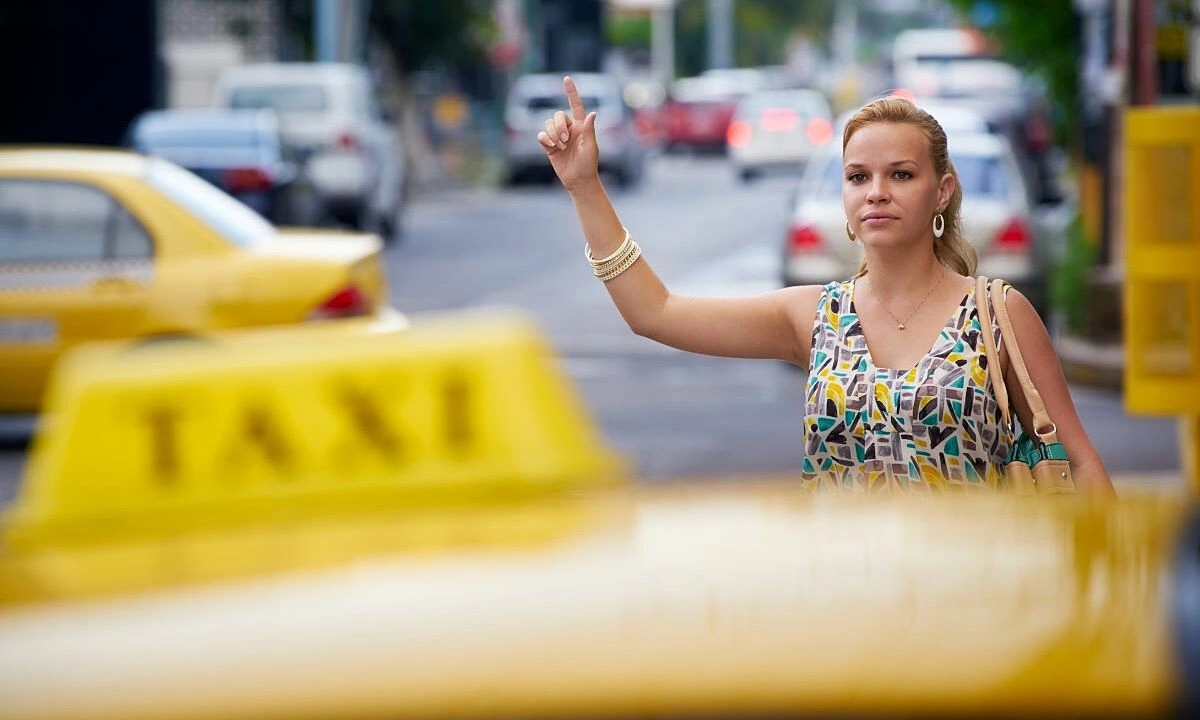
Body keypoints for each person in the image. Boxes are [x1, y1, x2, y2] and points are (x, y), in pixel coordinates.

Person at [537, 76, 1114, 495]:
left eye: (902, 175)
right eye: (858, 177)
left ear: (941, 191)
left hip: (981, 617)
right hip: (843, 619)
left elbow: (1082, 466)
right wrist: (586, 187)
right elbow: (655, 312)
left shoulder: (996, 314)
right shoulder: (816, 316)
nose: (877, 191)